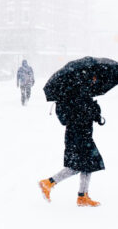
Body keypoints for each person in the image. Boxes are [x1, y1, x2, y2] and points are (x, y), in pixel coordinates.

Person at [38, 76, 105, 206]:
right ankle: (48, 183)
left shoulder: (78, 94)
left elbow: (87, 114)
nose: (95, 81)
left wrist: (96, 114)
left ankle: (82, 196)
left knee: (88, 164)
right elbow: (80, 115)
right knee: (76, 167)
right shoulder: (80, 95)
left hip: (80, 136)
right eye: (94, 79)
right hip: (78, 137)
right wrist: (93, 110)